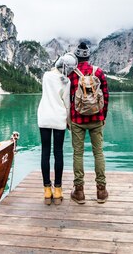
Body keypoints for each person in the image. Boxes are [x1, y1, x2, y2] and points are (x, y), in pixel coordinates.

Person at [68, 42, 109, 204]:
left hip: (77, 119)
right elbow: (106, 97)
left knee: (78, 154)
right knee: (98, 153)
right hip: (96, 119)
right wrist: (102, 116)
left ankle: (79, 192)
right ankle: (101, 191)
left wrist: (68, 119)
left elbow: (67, 98)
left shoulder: (72, 74)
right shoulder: (98, 72)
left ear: (77, 57)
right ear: (89, 56)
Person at [37, 52, 77, 205]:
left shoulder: (46, 76)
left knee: (45, 152)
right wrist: (69, 121)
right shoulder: (66, 81)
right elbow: (66, 103)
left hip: (44, 117)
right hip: (59, 118)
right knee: (58, 152)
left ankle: (47, 190)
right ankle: (58, 189)